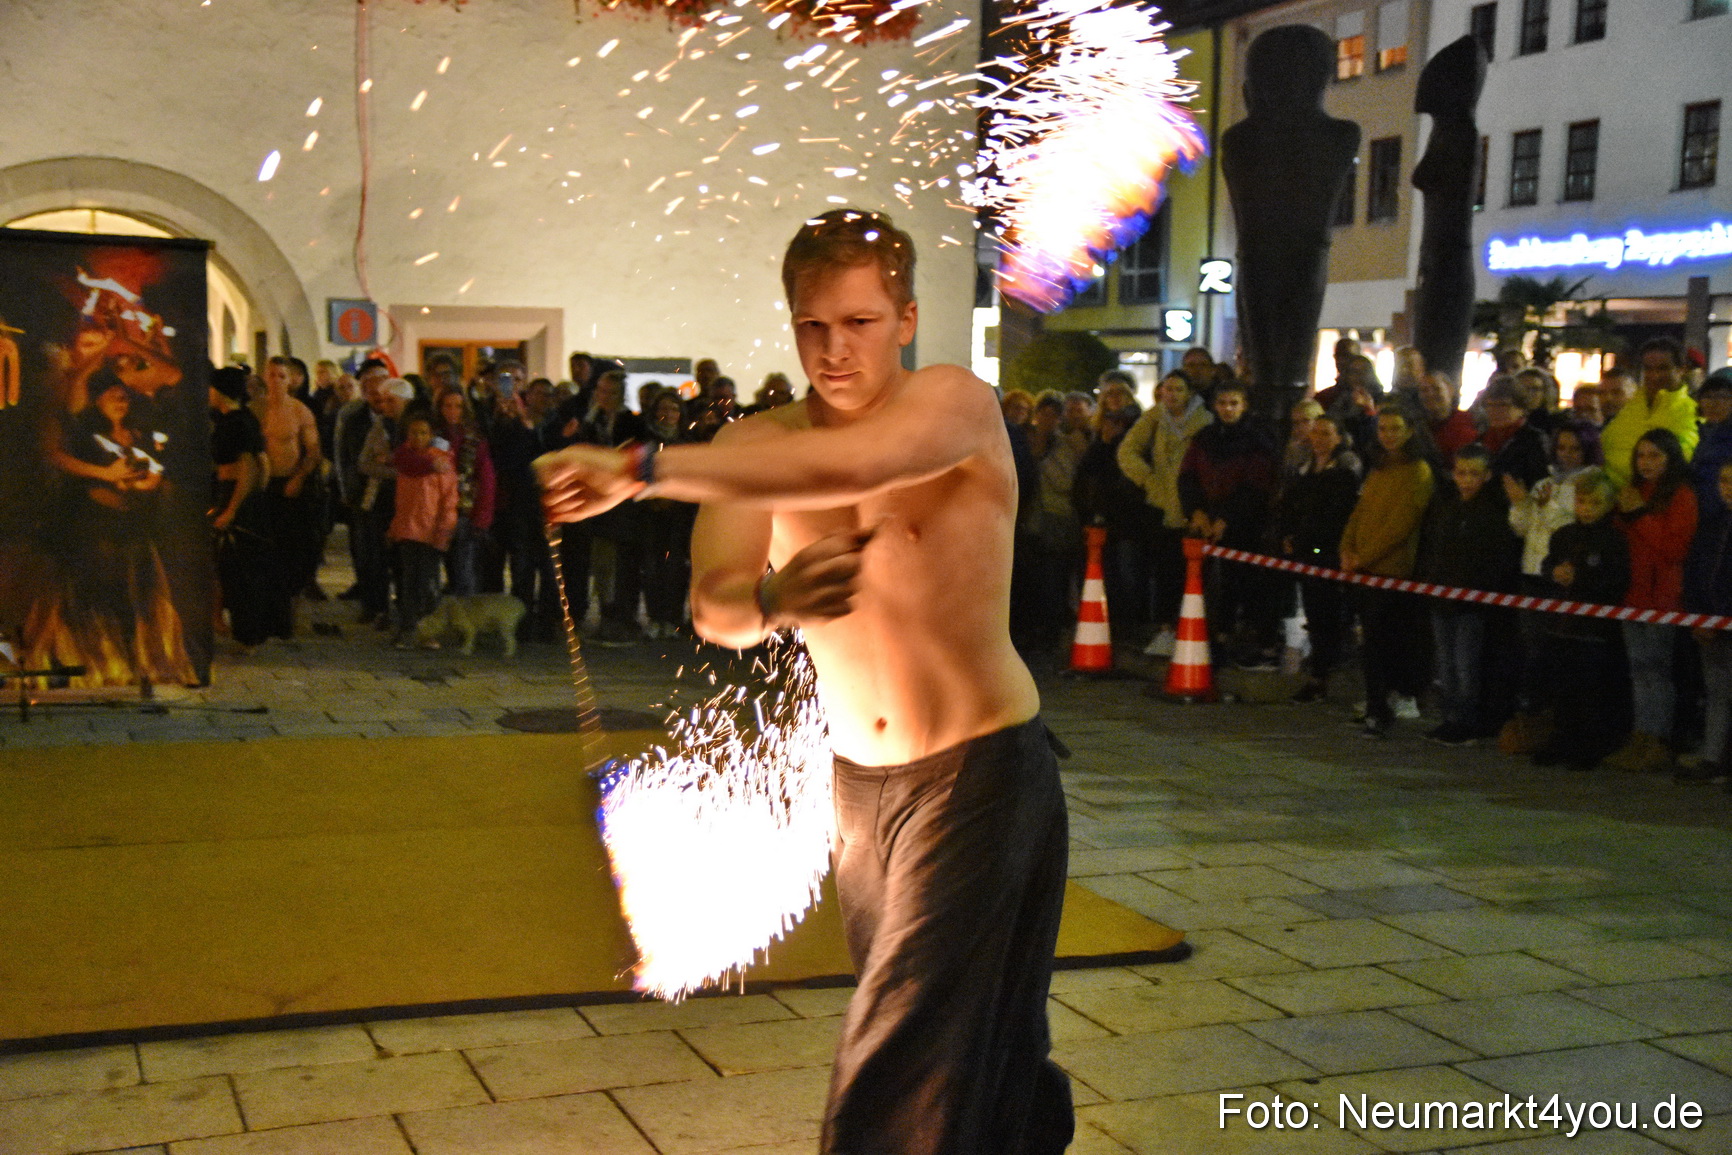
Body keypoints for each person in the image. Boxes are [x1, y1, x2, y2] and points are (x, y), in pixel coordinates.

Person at [536, 208, 1075, 1155]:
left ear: (905, 320)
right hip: (859, 790)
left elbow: (852, 460)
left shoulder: (956, 404)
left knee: (903, 1043)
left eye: (859, 323)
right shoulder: (751, 449)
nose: (833, 350)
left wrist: (640, 464)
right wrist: (777, 595)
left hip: (981, 769)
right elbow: (714, 605)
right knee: (972, 1031)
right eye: (812, 327)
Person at [1603, 429, 1698, 774]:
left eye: (1655, 455)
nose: (1646, 463)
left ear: (1671, 458)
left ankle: (1656, 740)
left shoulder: (1681, 496)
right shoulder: (1635, 491)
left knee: (1656, 671)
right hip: (1633, 594)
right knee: (1638, 670)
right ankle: (1641, 736)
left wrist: (1640, 515)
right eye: (1641, 455)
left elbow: (1675, 549)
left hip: (1662, 597)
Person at [1502, 423, 1600, 753]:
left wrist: (1551, 506)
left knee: (1557, 654)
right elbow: (1523, 529)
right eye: (1562, 448)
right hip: (1534, 572)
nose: (1567, 455)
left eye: (1574, 449)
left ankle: (1559, 726)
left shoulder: (1589, 483)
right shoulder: (1545, 482)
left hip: (1562, 578)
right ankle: (1535, 721)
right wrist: (1521, 504)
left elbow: (1578, 526)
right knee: (1531, 652)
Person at [1416, 444, 1521, 744]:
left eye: (1474, 474)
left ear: (1487, 475)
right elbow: (1434, 545)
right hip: (1442, 595)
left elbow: (1497, 557)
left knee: (1466, 664)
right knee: (1446, 661)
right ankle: (1450, 717)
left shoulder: (1493, 511)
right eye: (1461, 473)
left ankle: (1467, 720)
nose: (1466, 480)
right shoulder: (1447, 505)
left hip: (1472, 602)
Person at [1340, 407, 1436, 737]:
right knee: (1370, 642)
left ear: (1410, 430)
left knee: (1383, 643)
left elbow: (1400, 526)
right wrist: (1346, 548)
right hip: (1365, 568)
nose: (1388, 435)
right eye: (1383, 428)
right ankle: (1373, 701)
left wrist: (1363, 556)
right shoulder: (1380, 468)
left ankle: (1380, 708)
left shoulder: (1418, 471)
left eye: (1395, 428)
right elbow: (1360, 510)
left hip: (1391, 571)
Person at [1529, 470, 1631, 770]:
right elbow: (1548, 563)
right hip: (1563, 624)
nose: (1586, 508)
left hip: (1595, 629)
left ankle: (1589, 745)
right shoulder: (1564, 535)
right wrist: (1553, 573)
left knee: (1591, 690)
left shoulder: (1613, 539)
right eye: (1582, 501)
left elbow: (1615, 579)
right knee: (1562, 685)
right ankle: (1562, 738)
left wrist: (1582, 577)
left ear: (1608, 504)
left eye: (1595, 502)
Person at [1177, 380, 1280, 667]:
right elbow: (1188, 476)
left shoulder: (1257, 440)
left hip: (1244, 528)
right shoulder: (1205, 438)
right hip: (1205, 521)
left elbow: (1256, 485)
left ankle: (1238, 638)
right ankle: (1210, 638)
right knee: (1206, 584)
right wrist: (1196, 511)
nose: (1228, 409)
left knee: (1241, 584)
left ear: (1244, 405)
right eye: (1222, 403)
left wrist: (1227, 518)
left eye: (1234, 403)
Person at [1118, 372, 1211, 655]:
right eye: (1166, 389)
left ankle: (1193, 632)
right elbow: (1127, 451)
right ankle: (1166, 631)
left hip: (1195, 507)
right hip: (1163, 505)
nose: (1171, 395)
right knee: (1166, 572)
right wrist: (1148, 479)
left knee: (1195, 575)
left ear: (1189, 393)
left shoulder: (1204, 421)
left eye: (1178, 389)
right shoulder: (1154, 418)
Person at [1276, 413, 1362, 702]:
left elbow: (1336, 513)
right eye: (1315, 433)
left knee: (1328, 612)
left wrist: (1308, 537)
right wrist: (1288, 533)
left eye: (1326, 433)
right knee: (1313, 611)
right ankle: (1319, 670)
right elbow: (1291, 505)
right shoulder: (1305, 468)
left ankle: (1325, 671)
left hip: (1328, 551)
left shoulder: (1344, 470)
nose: (1319, 439)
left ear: (1339, 437)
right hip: (1305, 550)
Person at [208, 366, 278, 650]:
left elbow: (249, 466)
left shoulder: (236, 423)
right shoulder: (239, 419)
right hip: (238, 495)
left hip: (235, 495)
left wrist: (233, 508)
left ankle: (241, 627)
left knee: (233, 564)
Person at [387, 413, 458, 645]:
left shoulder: (442, 462)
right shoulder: (406, 460)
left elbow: (448, 500)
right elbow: (401, 499)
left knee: (428, 583)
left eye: (423, 432)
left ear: (431, 435)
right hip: (408, 530)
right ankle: (408, 628)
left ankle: (428, 631)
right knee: (408, 582)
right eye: (414, 432)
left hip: (431, 531)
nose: (418, 437)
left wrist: (444, 531)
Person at [1682, 459, 1732, 786]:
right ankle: (1712, 756)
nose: (1728, 487)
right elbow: (1697, 572)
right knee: (1717, 692)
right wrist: (1699, 616)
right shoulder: (1713, 523)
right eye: (1724, 480)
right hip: (1710, 624)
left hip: (1725, 621)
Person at [1601, 338, 1699, 489]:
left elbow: (1678, 464)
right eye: (1648, 368)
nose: (1655, 376)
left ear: (1681, 369)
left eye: (1663, 368)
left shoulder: (1692, 413)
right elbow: (1605, 448)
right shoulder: (1630, 407)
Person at [433, 388, 497, 597]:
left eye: (458, 406)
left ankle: (466, 617)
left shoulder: (473, 439)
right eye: (447, 405)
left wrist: (482, 518)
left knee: (463, 569)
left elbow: (486, 479)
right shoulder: (432, 436)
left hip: (464, 510)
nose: (452, 411)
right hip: (435, 510)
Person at [1417, 370, 1479, 468]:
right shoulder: (1416, 426)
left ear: (1450, 390)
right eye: (1424, 390)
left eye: (1436, 389)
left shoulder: (1471, 420)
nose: (1430, 394)